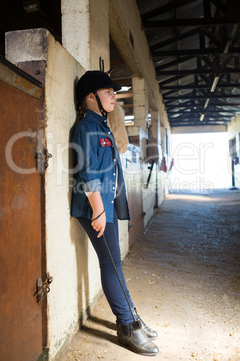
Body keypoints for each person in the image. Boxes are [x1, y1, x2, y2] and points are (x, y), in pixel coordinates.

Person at [71, 70, 159, 356]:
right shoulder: (86, 127)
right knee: (110, 264)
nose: (114, 96)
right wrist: (97, 209)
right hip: (94, 206)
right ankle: (126, 325)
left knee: (115, 263)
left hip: (105, 203)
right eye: (108, 92)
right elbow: (86, 170)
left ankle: (132, 315)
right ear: (91, 97)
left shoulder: (104, 125)